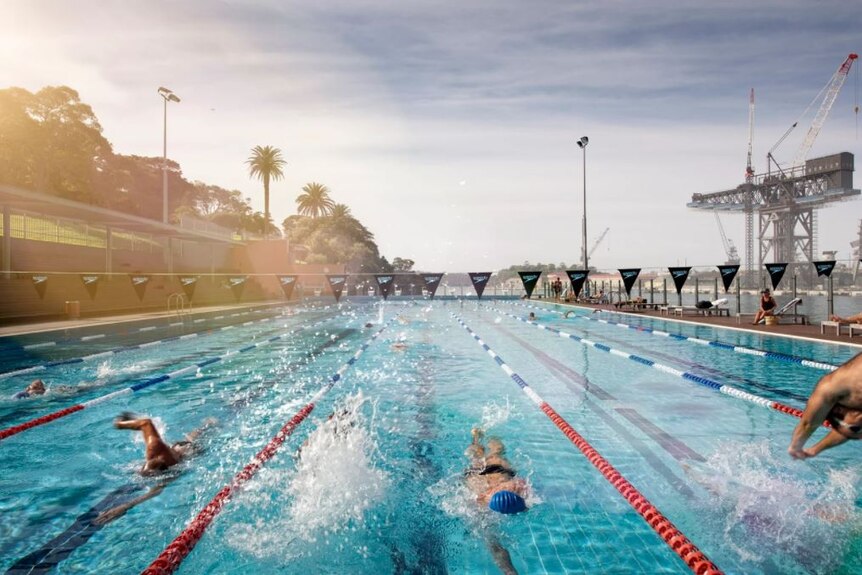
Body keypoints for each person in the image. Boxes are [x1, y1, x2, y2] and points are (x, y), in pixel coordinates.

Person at [788, 352, 862, 459]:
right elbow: (847, 431)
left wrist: (795, 447)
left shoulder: (830, 388)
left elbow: (808, 424)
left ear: (840, 410)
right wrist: (815, 450)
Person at [114, 412, 215, 474]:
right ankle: (208, 424)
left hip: (179, 452)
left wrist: (120, 424)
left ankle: (208, 424)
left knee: (191, 439)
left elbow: (146, 423)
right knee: (191, 441)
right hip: (186, 453)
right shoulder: (171, 462)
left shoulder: (154, 447)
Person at [464, 428, 529, 514]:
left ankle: (480, 435)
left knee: (494, 452)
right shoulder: (484, 498)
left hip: (496, 472)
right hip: (490, 473)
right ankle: (481, 435)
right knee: (479, 456)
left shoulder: (516, 487)